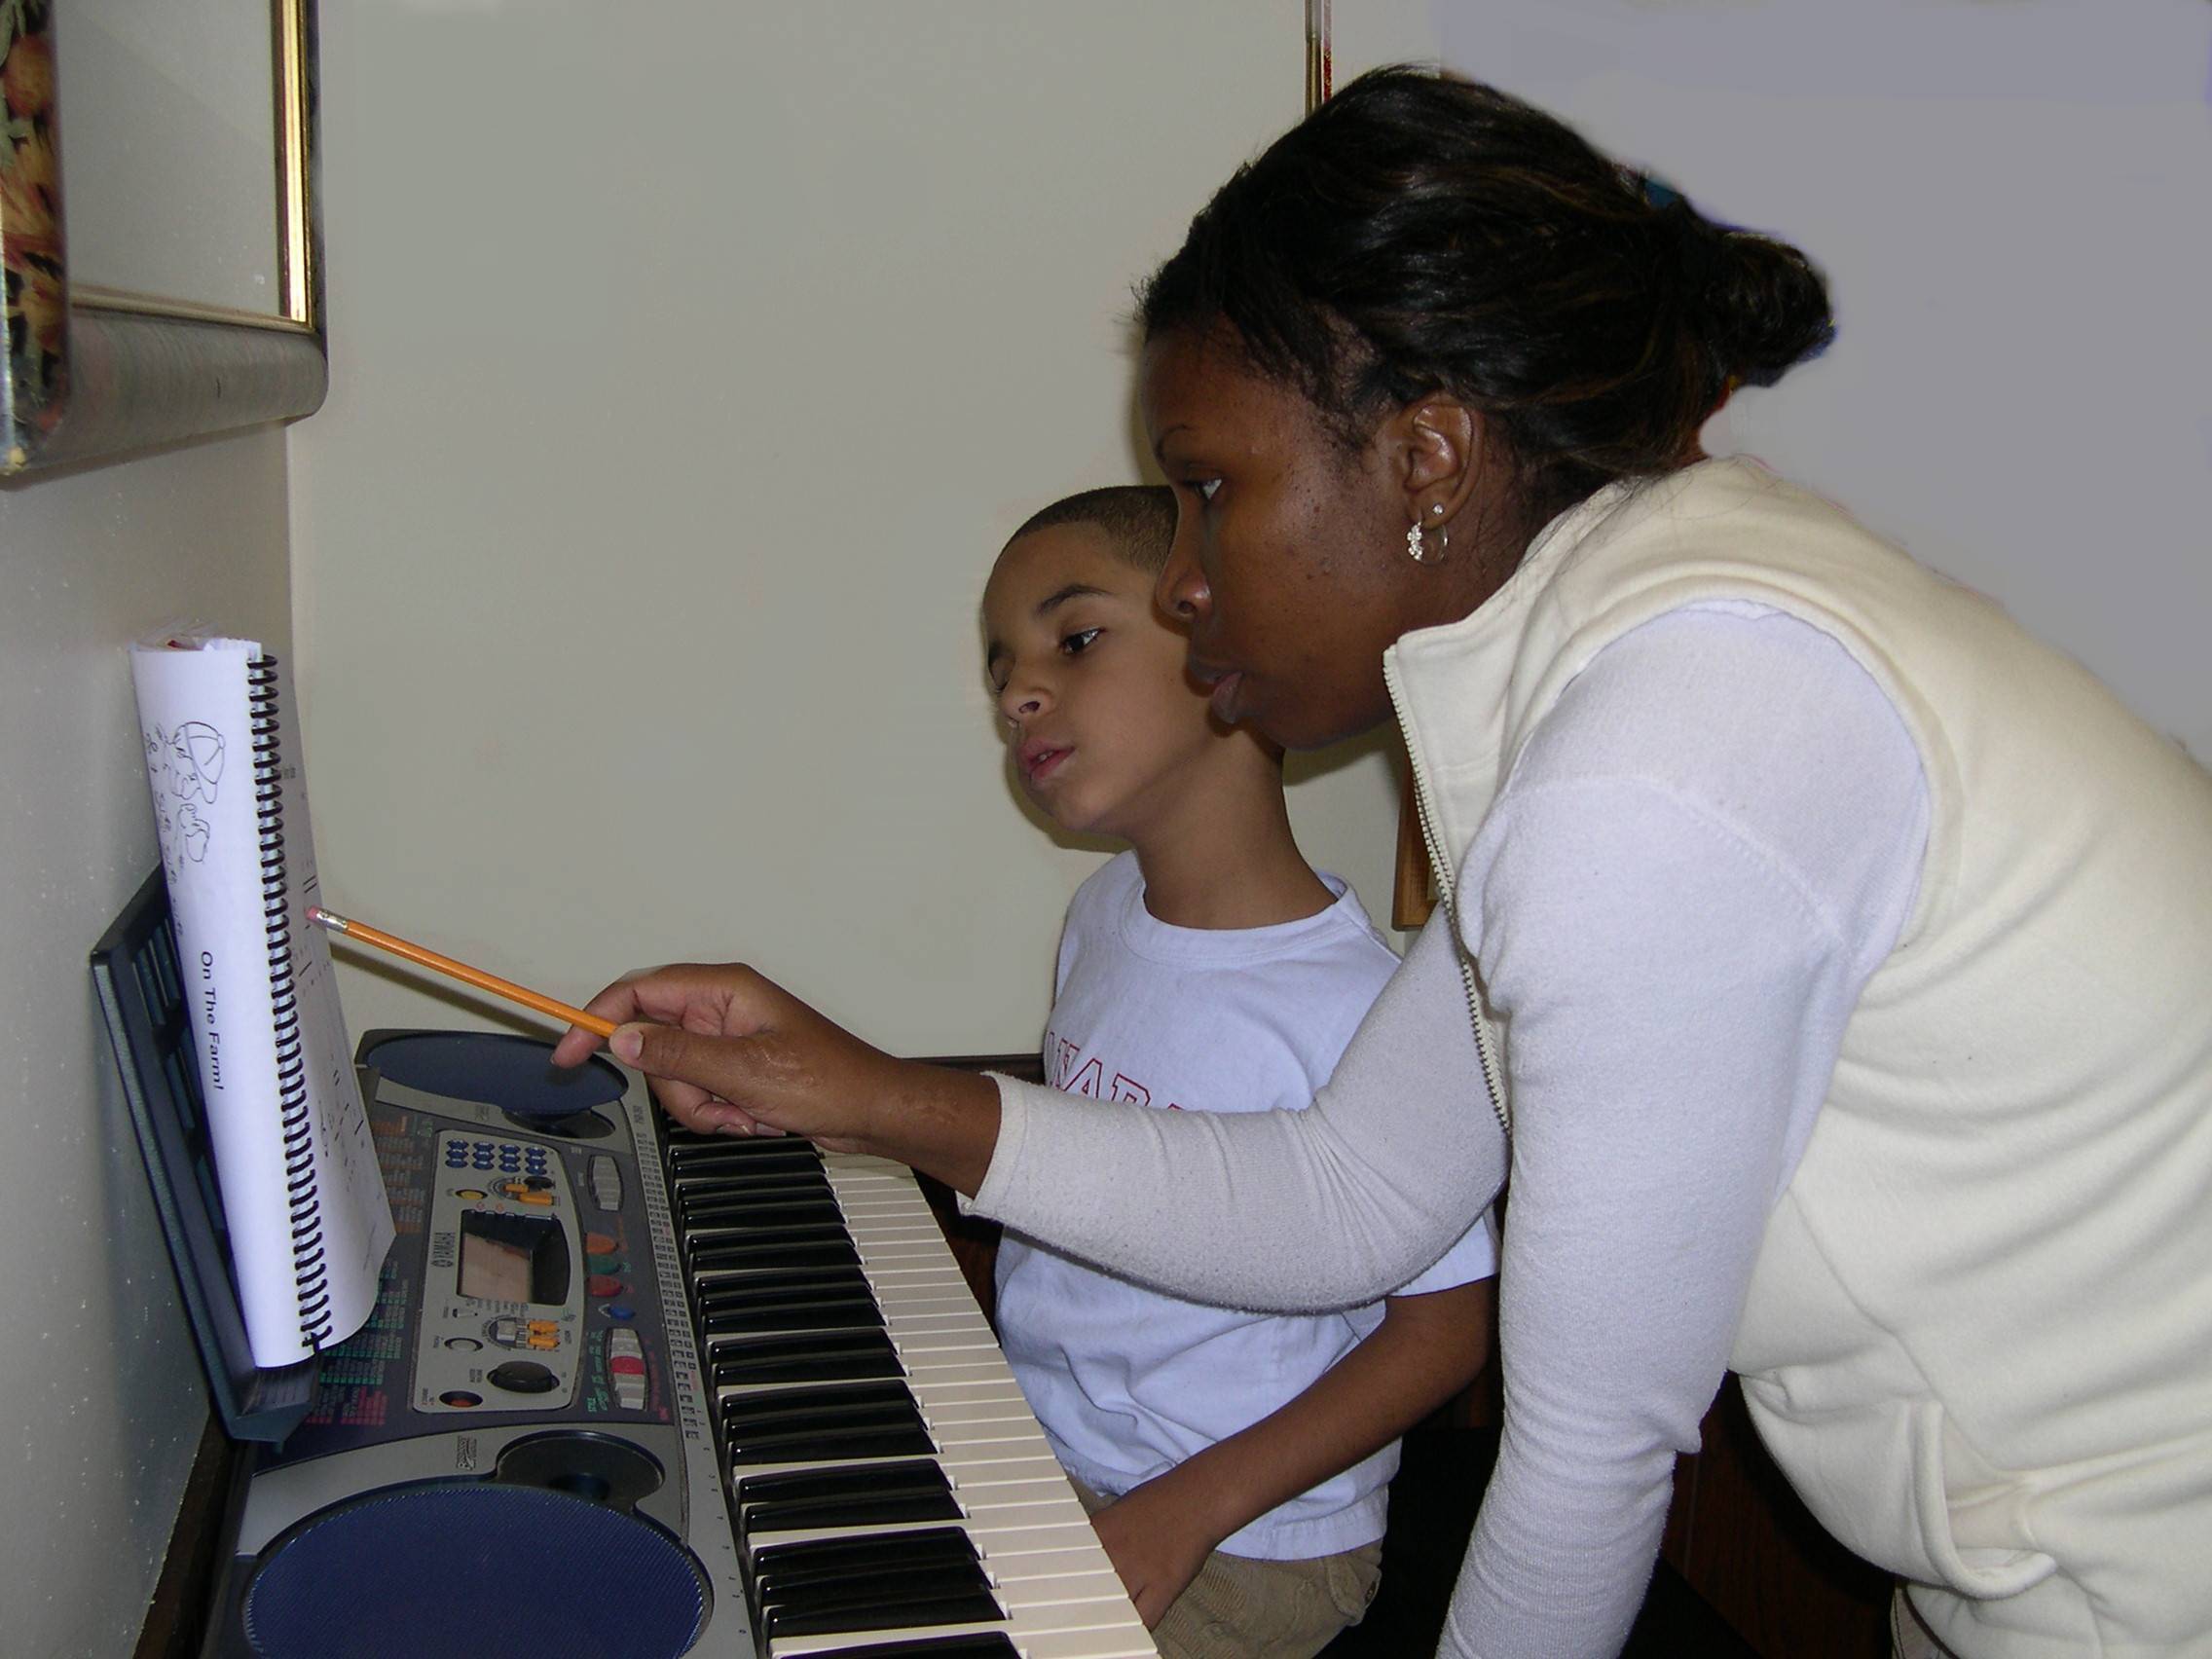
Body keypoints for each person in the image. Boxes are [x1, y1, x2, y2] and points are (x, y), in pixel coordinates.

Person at [554, 67, 2212, 1659]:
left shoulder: (1663, 761)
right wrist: (855, 1088)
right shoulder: (1638, 661)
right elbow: (1341, 1193)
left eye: (1207, 489)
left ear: (1425, 457)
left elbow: (1586, 1455)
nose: (1185, 576)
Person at [976, 484, 1496, 1655]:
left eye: (1076, 637)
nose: (1017, 693)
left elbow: (1442, 1337)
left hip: (1246, 1542)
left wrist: (1187, 1508)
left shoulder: (1362, 1004)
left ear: (1221, 640)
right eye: (1002, 664)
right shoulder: (1101, 917)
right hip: (1050, 1459)